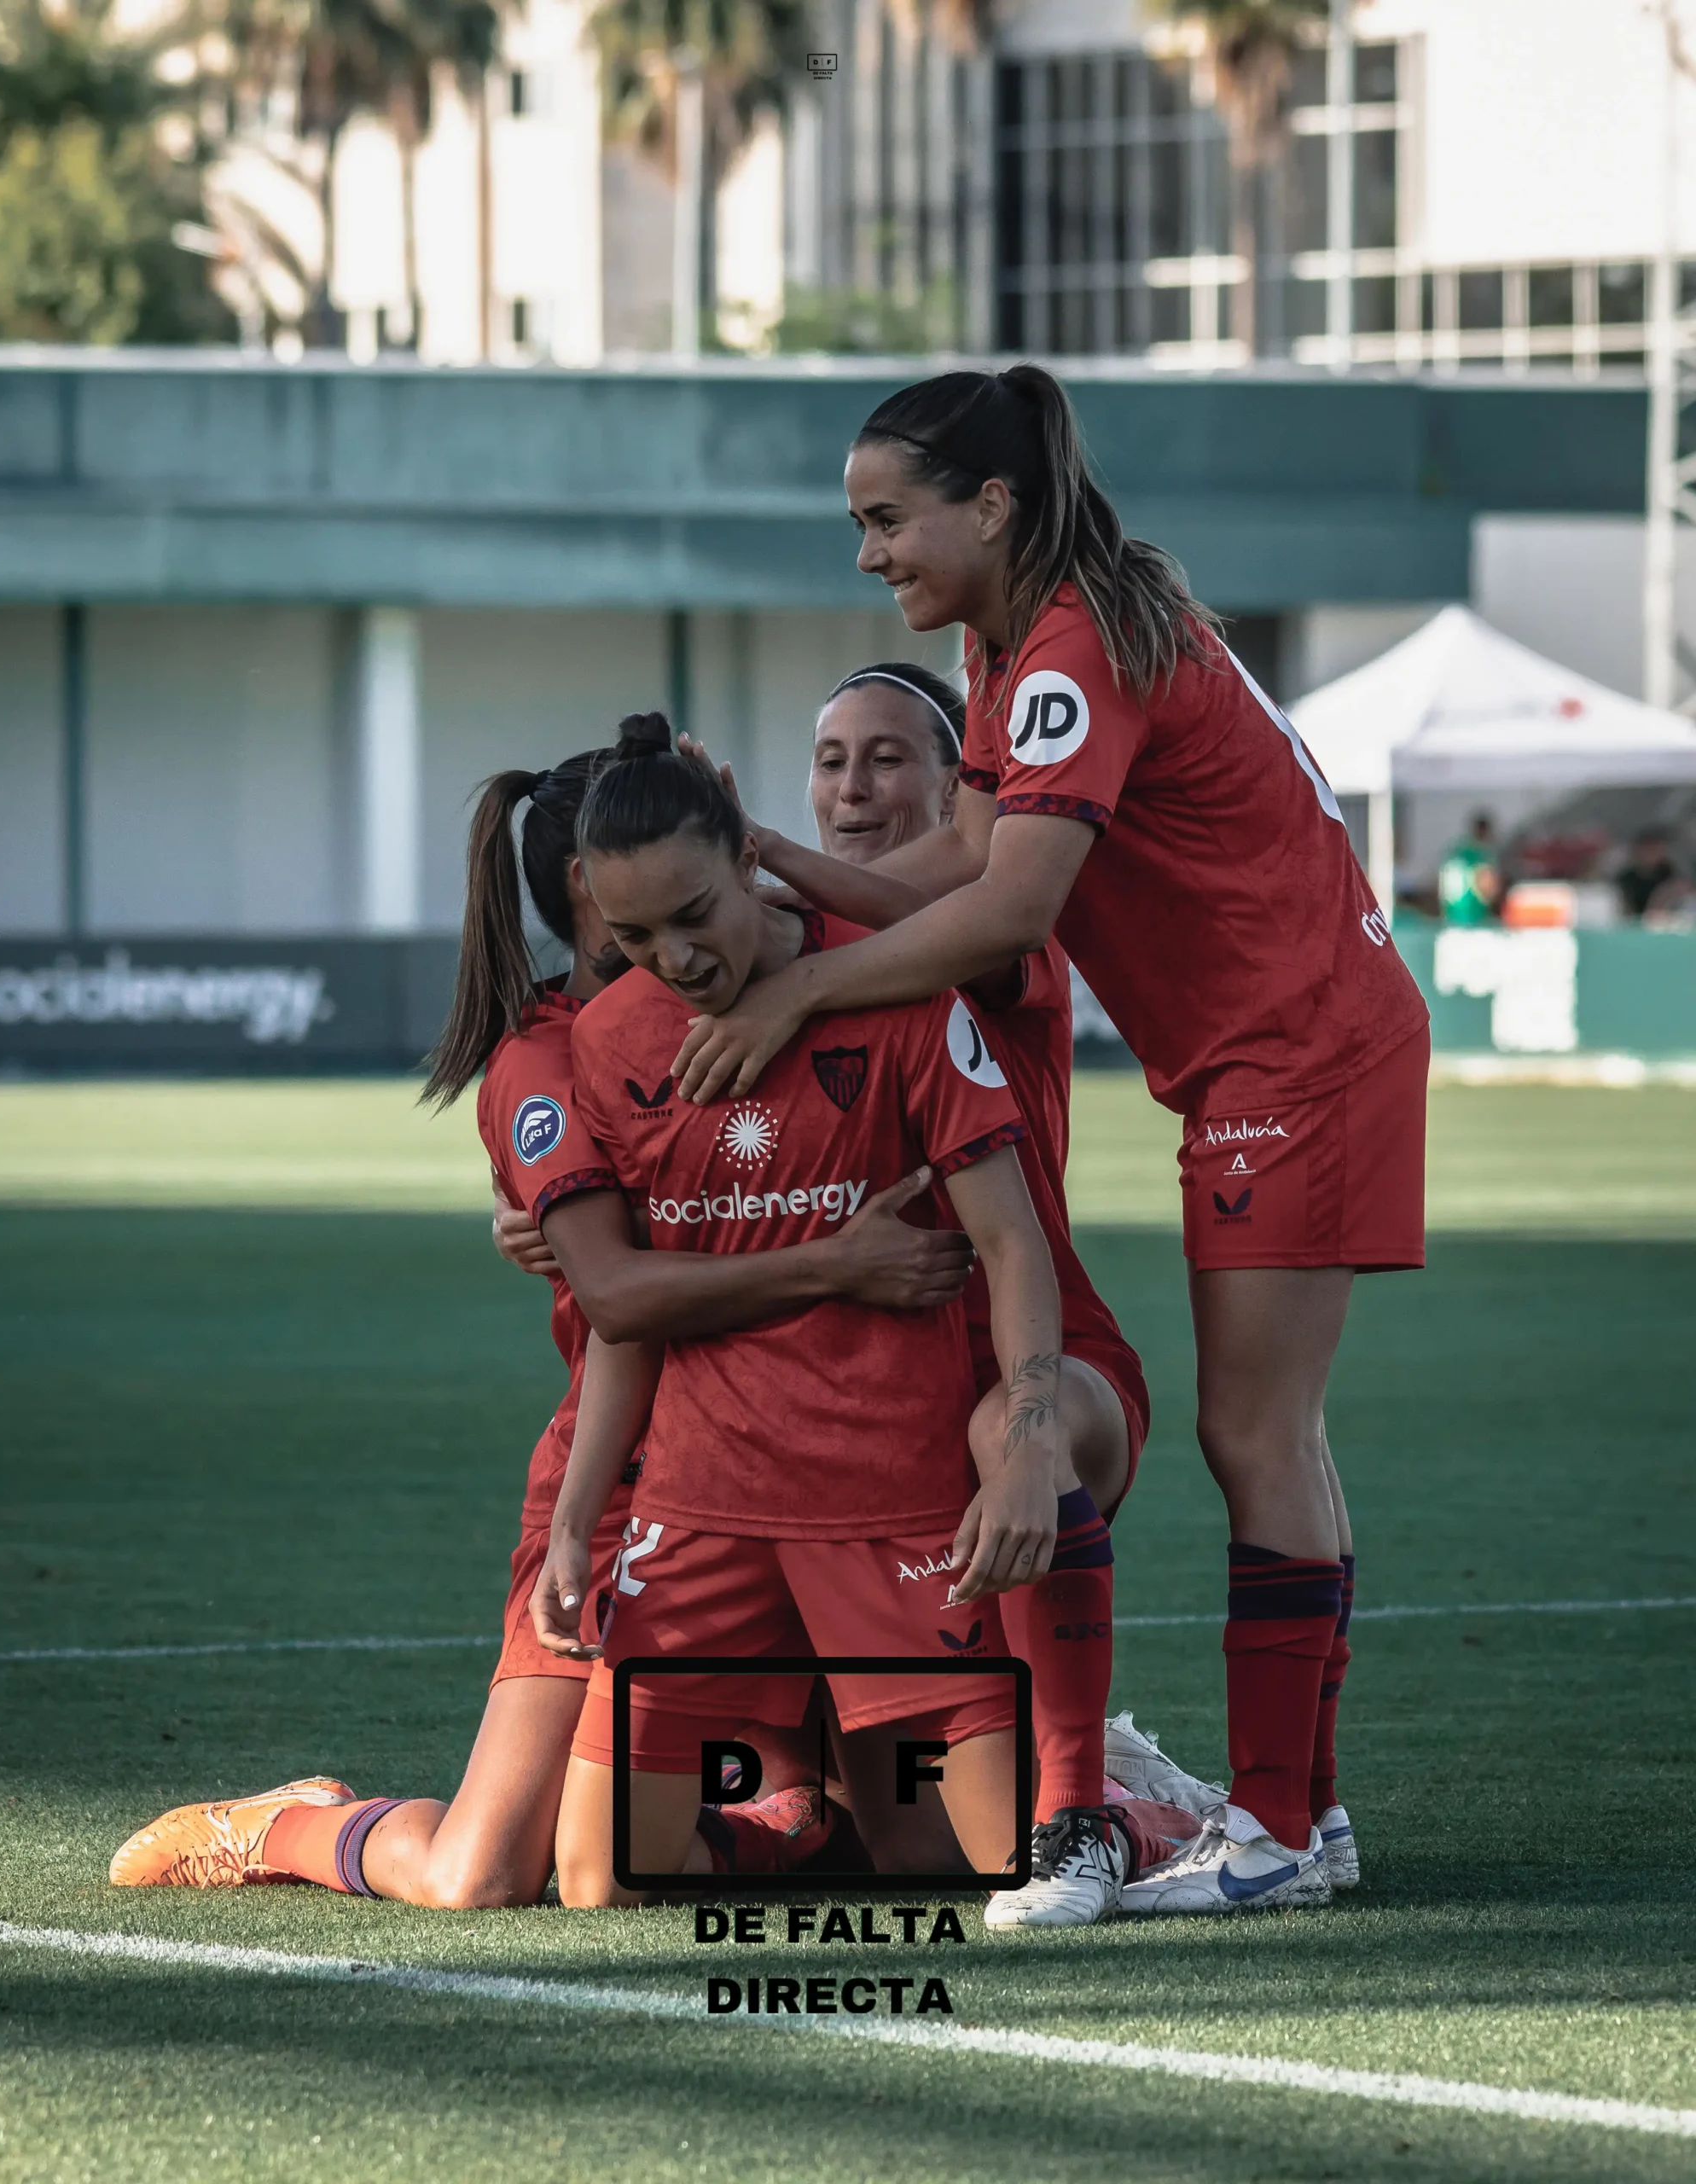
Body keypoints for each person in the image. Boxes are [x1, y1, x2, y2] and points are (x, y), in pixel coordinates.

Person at [667, 366, 1432, 1913]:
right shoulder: (1018, 629)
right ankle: (1301, 1821)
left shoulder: (1070, 642)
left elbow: (1006, 912)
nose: (869, 552)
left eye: (887, 519)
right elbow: (961, 853)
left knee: (1254, 1436)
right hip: (1271, 1050)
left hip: (1295, 1050)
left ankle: (1273, 1831)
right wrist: (756, 850)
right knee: (1274, 1436)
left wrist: (797, 977)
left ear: (990, 505)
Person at [107, 752, 973, 1904]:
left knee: (925, 1846)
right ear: (588, 886)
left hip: (811, 1461)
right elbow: (621, 1300)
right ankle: (294, 1829)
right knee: (488, 1874)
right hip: (629, 1479)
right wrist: (839, 1263)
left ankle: (911, 1800)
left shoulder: (774, 974)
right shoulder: (552, 1057)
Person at [526, 714, 1168, 1923]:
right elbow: (631, 1319)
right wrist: (575, 1526)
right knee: (600, 1882)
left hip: (888, 1500)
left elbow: (1009, 1238)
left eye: (696, 914)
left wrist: (1030, 1443)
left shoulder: (895, 986)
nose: (676, 957)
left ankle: (1136, 1814)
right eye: (634, 935)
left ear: (745, 862)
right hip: (701, 1511)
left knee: (966, 1873)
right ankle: (804, 1810)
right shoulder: (610, 1044)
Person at [688, 658, 1153, 1923]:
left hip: (1032, 1355)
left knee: (1006, 1436)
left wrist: (764, 852)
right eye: (831, 760)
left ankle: (1085, 1815)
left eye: (889, 757)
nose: (854, 785)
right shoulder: (778, 955)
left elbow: (922, 925)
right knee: (800, 1842)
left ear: (962, 791)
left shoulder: (994, 933)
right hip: (850, 1398)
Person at [1438, 813, 1501, 926]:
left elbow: (1442, 886)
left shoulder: (1455, 853)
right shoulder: (1481, 857)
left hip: (1451, 918)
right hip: (1475, 919)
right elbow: (1487, 885)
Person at [1615, 828, 1687, 921]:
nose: (1650, 854)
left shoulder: (1672, 875)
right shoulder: (1625, 879)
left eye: (1655, 849)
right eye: (1647, 849)